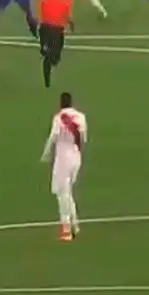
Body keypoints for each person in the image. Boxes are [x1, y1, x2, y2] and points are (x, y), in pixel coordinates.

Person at [41, 91, 88, 241]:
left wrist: (46, 154)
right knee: (67, 192)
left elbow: (53, 137)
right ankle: (75, 224)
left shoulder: (59, 118)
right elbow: (83, 139)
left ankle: (66, 229)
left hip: (63, 159)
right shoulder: (81, 117)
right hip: (76, 157)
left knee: (62, 193)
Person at [39, 0, 74, 88]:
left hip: (45, 30)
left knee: (52, 56)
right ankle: (47, 79)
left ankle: (47, 53)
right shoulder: (64, 2)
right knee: (52, 58)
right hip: (55, 31)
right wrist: (70, 23)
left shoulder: (45, 0)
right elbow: (67, 17)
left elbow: (44, 14)